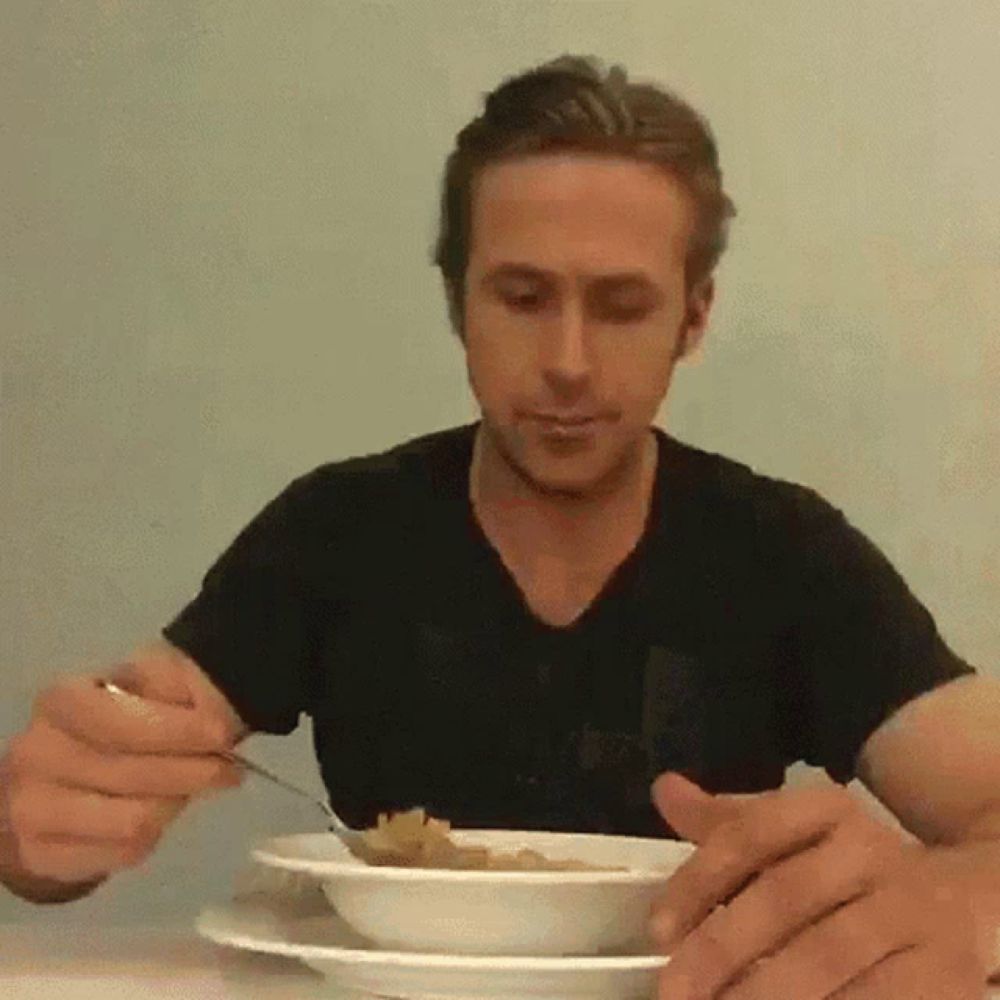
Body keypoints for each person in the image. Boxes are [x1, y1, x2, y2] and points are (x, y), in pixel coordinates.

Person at [2, 54, 999, 997]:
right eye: (522, 298)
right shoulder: (339, 529)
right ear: (456, 301)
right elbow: (115, 754)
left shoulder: (786, 554)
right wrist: (40, 823)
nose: (567, 361)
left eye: (619, 306)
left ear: (691, 319)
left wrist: (957, 900)